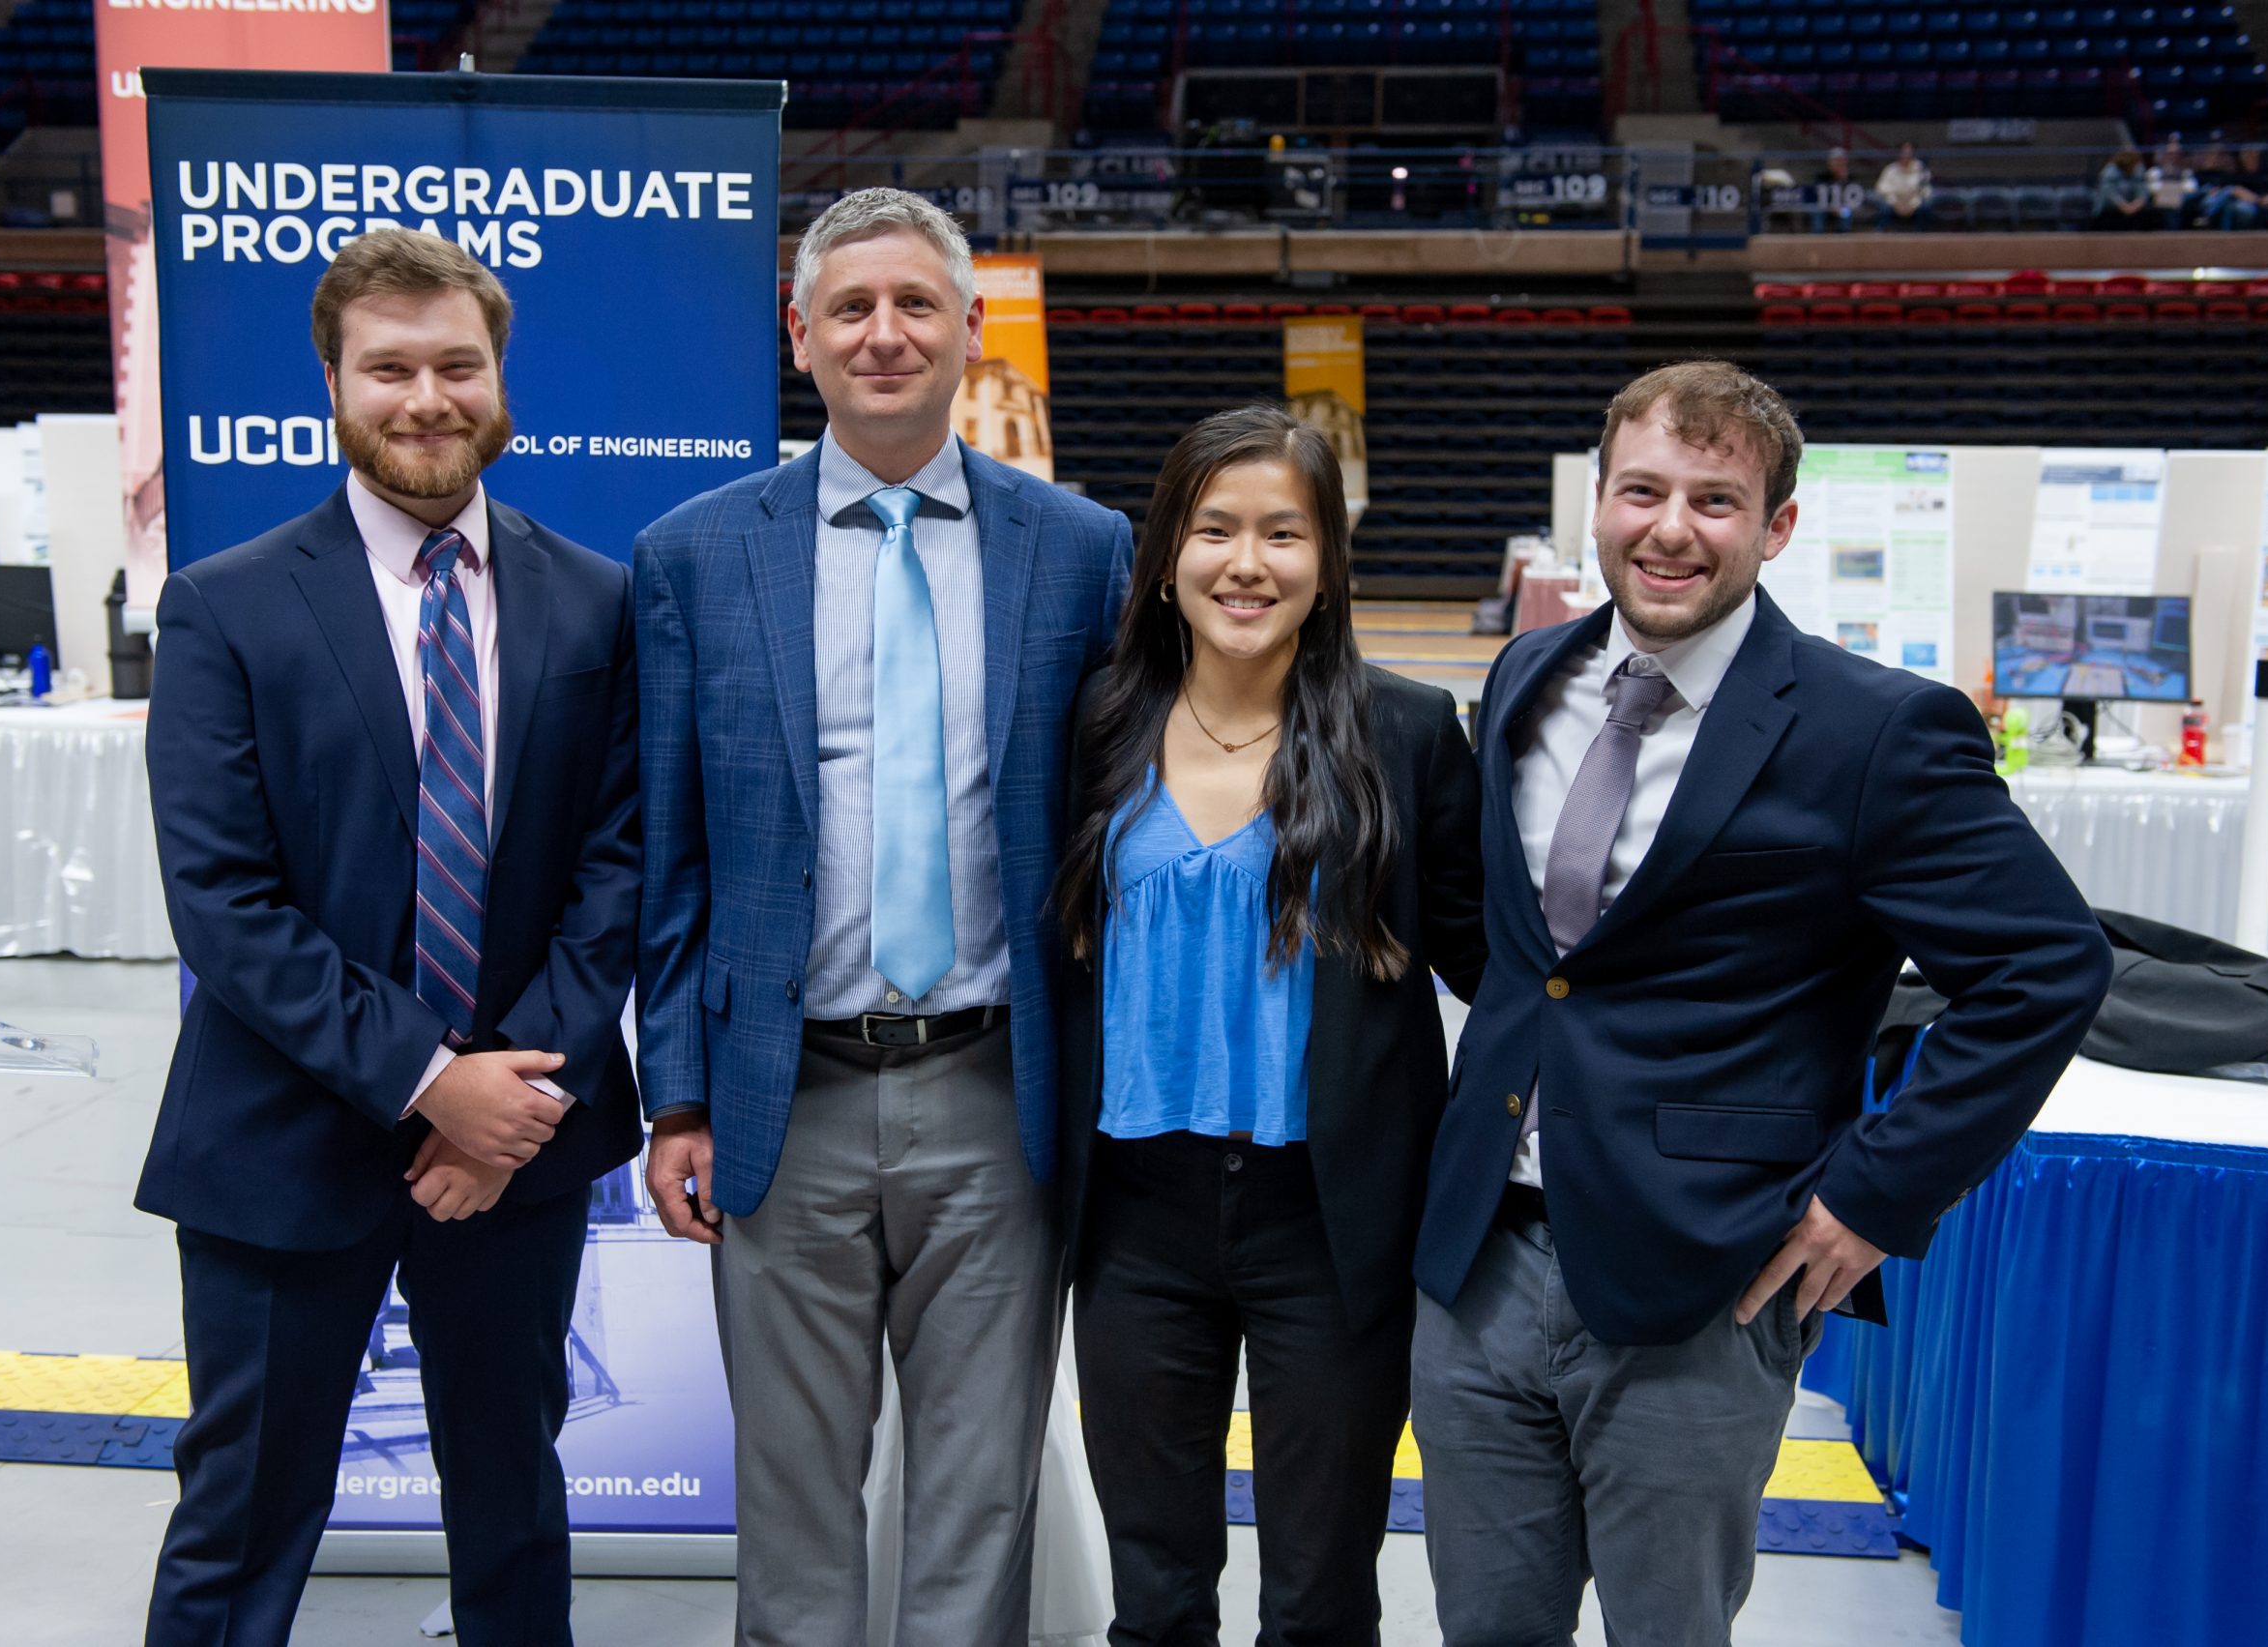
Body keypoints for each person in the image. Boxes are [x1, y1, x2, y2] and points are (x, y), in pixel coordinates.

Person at [1410, 360, 2113, 1647]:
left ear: (1776, 526)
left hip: (1699, 1277)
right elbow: (1530, 961)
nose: (1671, 528)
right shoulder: (1523, 678)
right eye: (1643, 490)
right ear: (1599, 504)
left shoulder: (1876, 731)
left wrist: (1875, 1194)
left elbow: (2044, 966)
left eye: (1715, 499)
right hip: (1479, 1263)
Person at [633, 187, 1134, 1645]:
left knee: (978, 1501)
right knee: (795, 1502)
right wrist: (676, 1095)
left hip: (997, 1088)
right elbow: (672, 856)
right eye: (850, 307)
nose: (885, 332)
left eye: (918, 302)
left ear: (973, 329)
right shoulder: (697, 555)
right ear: (800, 334)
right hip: (782, 1090)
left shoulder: (1081, 551)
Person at [136, 228, 643, 1646]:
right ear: (334, 384)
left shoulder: (598, 601)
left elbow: (619, 865)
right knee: (244, 1508)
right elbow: (223, 900)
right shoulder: (226, 605)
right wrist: (437, 1081)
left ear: (499, 378)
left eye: (457, 365)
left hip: (517, 1151)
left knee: (513, 1495)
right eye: (391, 367)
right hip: (282, 1135)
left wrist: (513, 1095)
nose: (427, 396)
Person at [1052, 407, 1487, 1645]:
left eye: (1283, 533)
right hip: (1134, 1214)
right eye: (1216, 530)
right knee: (1157, 1579)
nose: (1248, 563)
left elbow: (1494, 961)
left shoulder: (1401, 732)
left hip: (1331, 1216)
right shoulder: (1093, 726)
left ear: (1328, 559)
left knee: (1319, 1583)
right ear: (1167, 556)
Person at [2224, 144, 2268, 230]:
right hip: (2248, 201)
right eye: (2246, 155)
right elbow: (2234, 189)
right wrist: (2256, 200)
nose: (2250, 157)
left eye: (2253, 155)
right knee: (2243, 209)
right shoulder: (2237, 171)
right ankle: (2244, 239)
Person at [1874, 141, 1930, 229]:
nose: (1906, 154)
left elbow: (1925, 190)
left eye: (1909, 151)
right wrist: (1895, 203)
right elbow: (1881, 188)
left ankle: (1921, 236)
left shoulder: (1921, 168)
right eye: (1904, 151)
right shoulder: (1890, 169)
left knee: (1925, 207)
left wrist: (1913, 205)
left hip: (1914, 204)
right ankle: (1880, 235)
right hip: (1894, 203)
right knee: (1884, 207)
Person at [2148, 135, 2198, 230]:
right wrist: (2174, 189)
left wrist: (2173, 190)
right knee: (2170, 204)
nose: (2174, 157)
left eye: (2177, 154)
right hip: (2159, 200)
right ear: (2165, 155)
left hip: (2181, 199)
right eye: (2170, 154)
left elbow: (2192, 188)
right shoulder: (2155, 171)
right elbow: (2152, 188)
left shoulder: (2185, 171)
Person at [2093, 147, 2151, 229]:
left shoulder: (2138, 169)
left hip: (2134, 209)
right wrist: (2125, 207)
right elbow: (2111, 195)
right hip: (2110, 211)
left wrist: (2136, 205)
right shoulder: (2109, 172)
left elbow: (2143, 192)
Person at [1811, 147, 1858, 234]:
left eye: (1841, 160)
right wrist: (1831, 206)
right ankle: (1817, 239)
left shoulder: (1851, 177)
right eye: (1835, 160)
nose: (1838, 163)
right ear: (1829, 162)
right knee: (1817, 211)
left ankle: (1844, 238)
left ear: (1845, 161)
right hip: (1823, 206)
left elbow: (1855, 197)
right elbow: (1817, 194)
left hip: (1842, 207)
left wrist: (1843, 179)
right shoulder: (1822, 176)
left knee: (1846, 213)